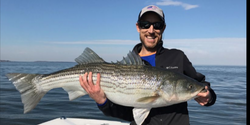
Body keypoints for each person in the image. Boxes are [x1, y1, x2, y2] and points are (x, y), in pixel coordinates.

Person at [79, 5, 216, 125]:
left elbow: (202, 86)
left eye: (157, 25)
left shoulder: (177, 57)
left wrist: (208, 96)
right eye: (145, 24)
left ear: (163, 28)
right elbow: (125, 114)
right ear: (138, 27)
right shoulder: (129, 65)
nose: (151, 30)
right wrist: (102, 101)